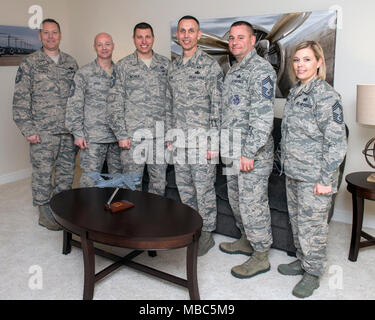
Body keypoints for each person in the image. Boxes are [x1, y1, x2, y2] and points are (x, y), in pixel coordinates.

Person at [278, 41, 347, 298]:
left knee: (313, 228)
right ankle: (302, 260)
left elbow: (336, 142)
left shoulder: (327, 96)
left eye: (306, 59)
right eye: (296, 60)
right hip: (295, 172)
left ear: (319, 62)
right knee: (297, 223)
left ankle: (313, 272)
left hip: (315, 176)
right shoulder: (295, 92)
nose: (300, 65)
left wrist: (327, 179)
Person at [219, 21, 276, 278]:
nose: (234, 42)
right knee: (237, 200)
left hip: (251, 154)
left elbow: (263, 119)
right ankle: (246, 239)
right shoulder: (233, 71)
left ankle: (261, 254)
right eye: (231, 38)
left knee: (253, 204)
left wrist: (249, 153)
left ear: (252, 41)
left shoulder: (261, 70)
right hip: (232, 151)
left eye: (240, 37)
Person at [13, 18, 78, 231]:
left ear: (60, 35)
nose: (51, 36)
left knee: (66, 174)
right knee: (42, 173)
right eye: (46, 33)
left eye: (54, 32)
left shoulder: (70, 63)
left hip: (67, 131)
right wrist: (28, 130)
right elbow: (21, 100)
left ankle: (60, 209)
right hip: (42, 132)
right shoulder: (30, 63)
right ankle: (44, 211)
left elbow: (77, 98)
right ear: (40, 36)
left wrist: (77, 128)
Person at [167, 15, 223, 256]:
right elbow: (169, 104)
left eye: (191, 31)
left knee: (204, 190)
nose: (186, 35)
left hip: (202, 142)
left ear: (199, 35)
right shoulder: (173, 67)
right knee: (185, 188)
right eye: (182, 31)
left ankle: (207, 233)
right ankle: (190, 229)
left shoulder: (211, 66)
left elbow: (218, 107)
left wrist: (214, 143)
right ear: (177, 35)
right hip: (179, 141)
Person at [106, 22, 170, 196]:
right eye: (139, 37)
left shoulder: (165, 65)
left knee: (159, 183)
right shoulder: (123, 66)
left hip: (159, 136)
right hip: (132, 137)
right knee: (132, 184)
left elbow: (172, 102)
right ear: (134, 39)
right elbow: (114, 102)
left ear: (153, 38)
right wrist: (121, 134)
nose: (144, 41)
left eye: (147, 36)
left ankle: (154, 219)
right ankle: (133, 222)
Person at [66, 33, 121, 187]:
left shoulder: (120, 72)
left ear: (113, 46)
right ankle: (88, 211)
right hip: (93, 138)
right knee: (90, 181)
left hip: (117, 138)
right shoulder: (84, 73)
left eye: (107, 44)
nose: (104, 48)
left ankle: (112, 210)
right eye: (100, 44)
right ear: (94, 47)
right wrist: (77, 133)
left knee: (117, 182)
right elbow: (74, 104)